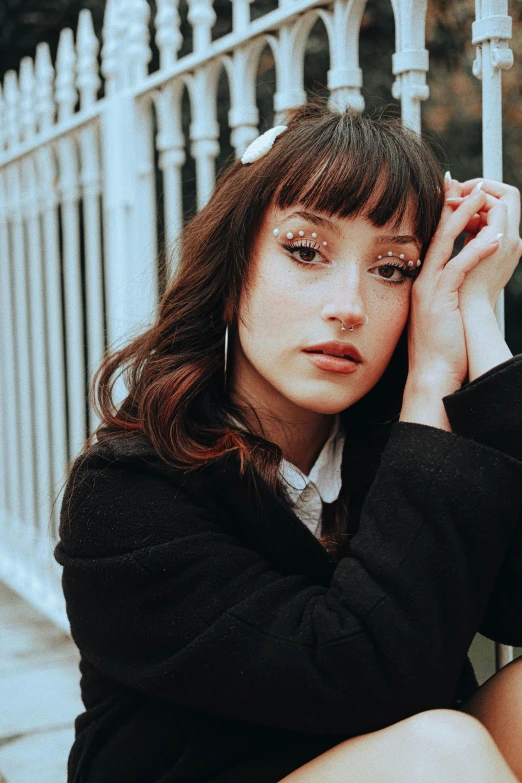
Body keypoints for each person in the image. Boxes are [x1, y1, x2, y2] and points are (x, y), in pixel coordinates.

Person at [54, 100, 522, 783]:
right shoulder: (123, 494)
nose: (348, 304)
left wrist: (476, 321)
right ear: (228, 277)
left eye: (392, 268)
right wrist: (426, 385)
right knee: (441, 754)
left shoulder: (401, 449)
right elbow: (358, 669)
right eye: (306, 251)